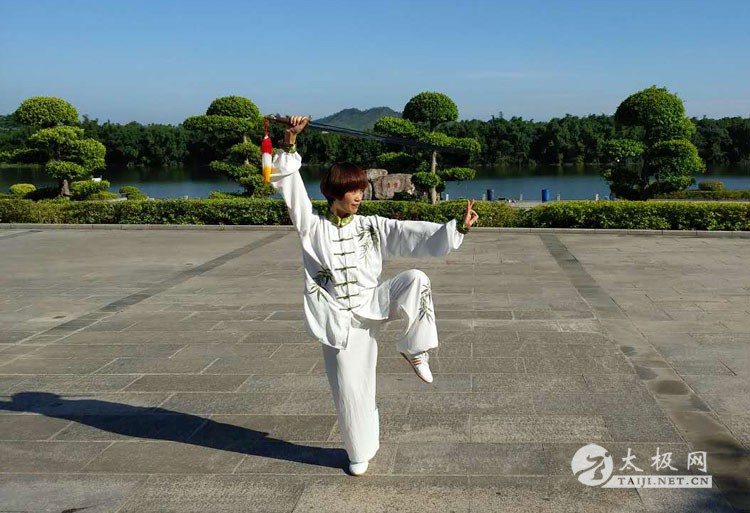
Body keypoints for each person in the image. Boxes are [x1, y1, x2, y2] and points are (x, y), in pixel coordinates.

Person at [269, 116, 478, 476]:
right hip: (339, 321)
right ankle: (359, 451)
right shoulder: (312, 228)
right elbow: (291, 191)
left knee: (416, 280)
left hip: (374, 301)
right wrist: (289, 143)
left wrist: (456, 228)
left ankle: (415, 348)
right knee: (351, 389)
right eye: (353, 191)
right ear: (335, 192)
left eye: (362, 190)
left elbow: (409, 233)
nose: (359, 197)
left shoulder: (371, 225)